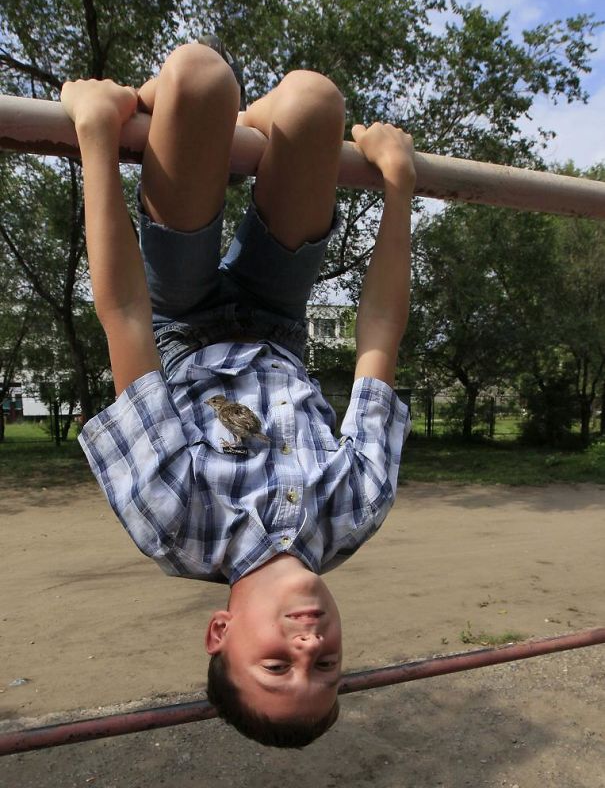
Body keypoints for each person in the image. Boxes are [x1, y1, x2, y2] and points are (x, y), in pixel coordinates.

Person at [61, 40, 414, 748]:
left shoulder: (175, 519)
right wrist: (398, 185)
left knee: (197, 77)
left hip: (179, 319)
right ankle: (265, 119)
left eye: (277, 665)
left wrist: (96, 136)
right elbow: (378, 331)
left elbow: (125, 314)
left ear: (219, 632)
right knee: (316, 101)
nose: (309, 648)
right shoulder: (354, 508)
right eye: (328, 666)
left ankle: (222, 115)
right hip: (276, 321)